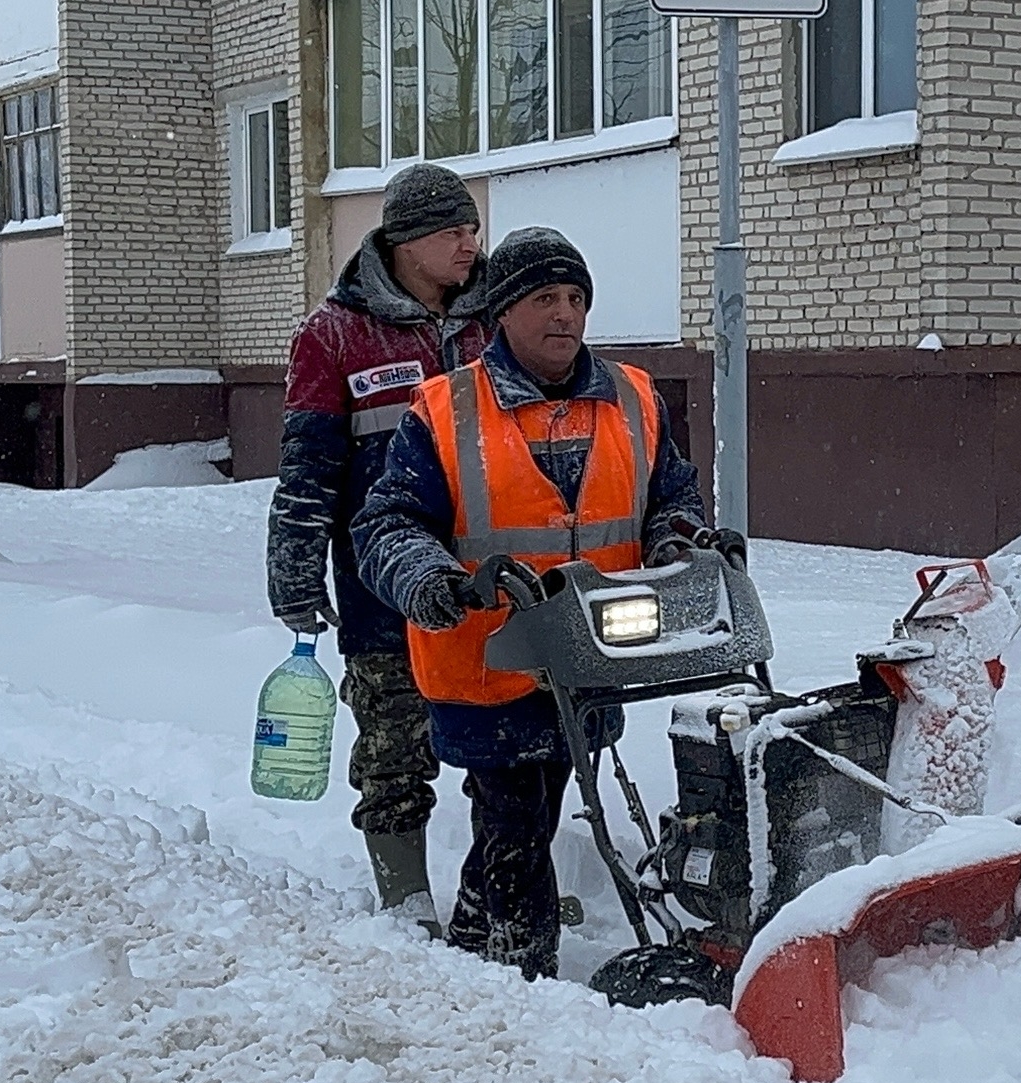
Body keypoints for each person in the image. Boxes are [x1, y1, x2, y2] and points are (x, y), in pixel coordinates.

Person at [357, 227, 719, 979]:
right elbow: (387, 523)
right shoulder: (446, 410)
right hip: (487, 658)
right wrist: (436, 582)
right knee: (517, 810)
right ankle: (525, 980)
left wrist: (678, 539)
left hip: (591, 655)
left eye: (576, 298)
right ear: (501, 315)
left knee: (533, 805)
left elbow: (669, 494)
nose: (565, 315)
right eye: (545, 298)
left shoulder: (633, 396)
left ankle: (469, 940)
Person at [266, 163, 487, 934]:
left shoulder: (496, 320)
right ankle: (407, 896)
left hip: (496, 578)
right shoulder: (334, 337)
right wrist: (294, 568)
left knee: (514, 744)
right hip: (383, 587)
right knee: (395, 742)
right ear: (406, 239)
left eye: (473, 228)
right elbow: (308, 471)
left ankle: (508, 877)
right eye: (454, 229)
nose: (471, 242)